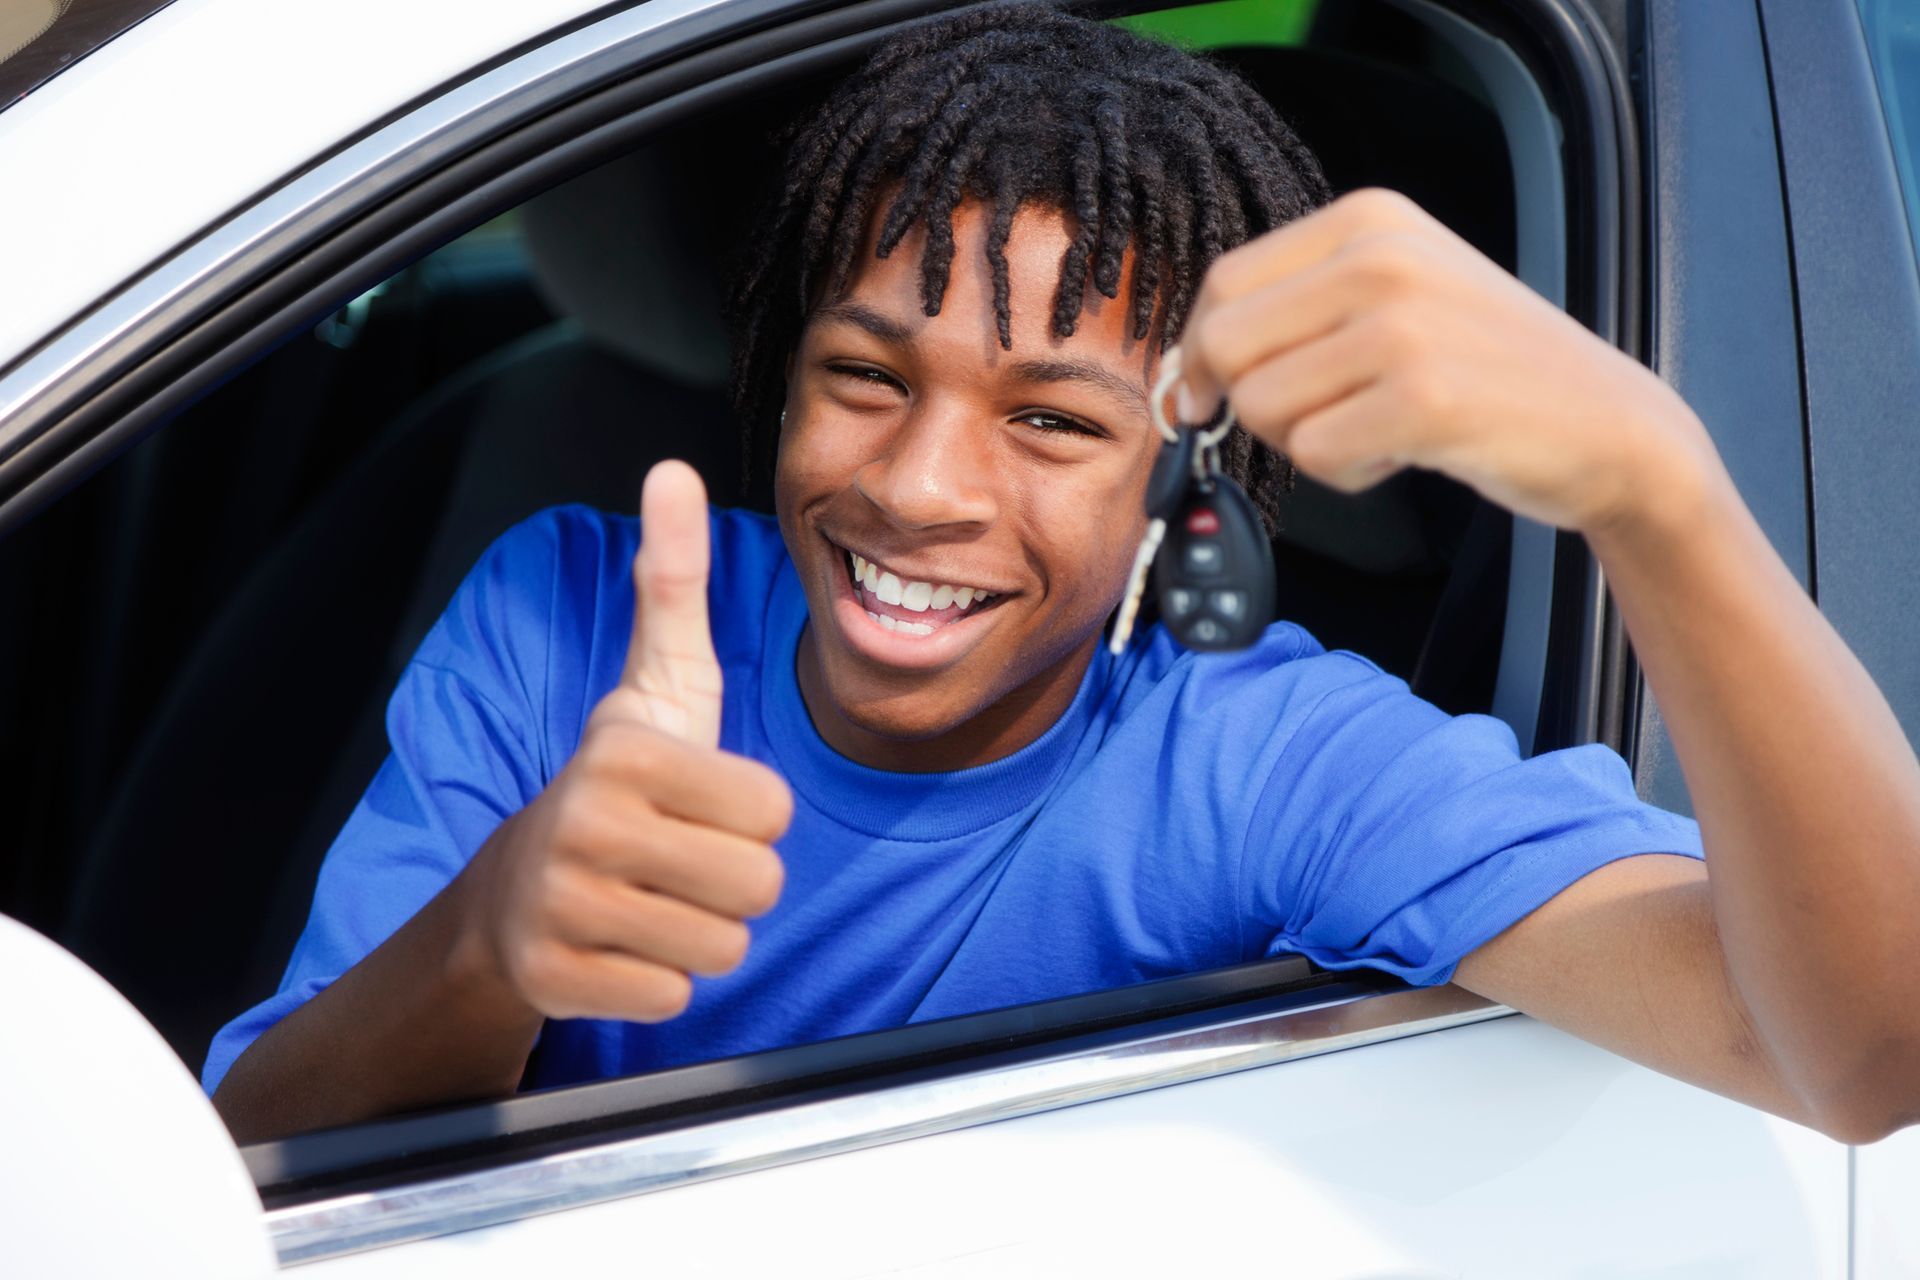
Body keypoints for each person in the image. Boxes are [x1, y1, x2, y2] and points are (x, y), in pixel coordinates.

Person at [206, 3, 1920, 1145]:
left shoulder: (1258, 760)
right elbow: (255, 1158)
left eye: (1050, 422)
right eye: (865, 377)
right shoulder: (570, 613)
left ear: (1186, 475)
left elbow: (1863, 1062)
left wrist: (1658, 491)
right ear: (777, 377)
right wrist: (496, 939)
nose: (919, 488)